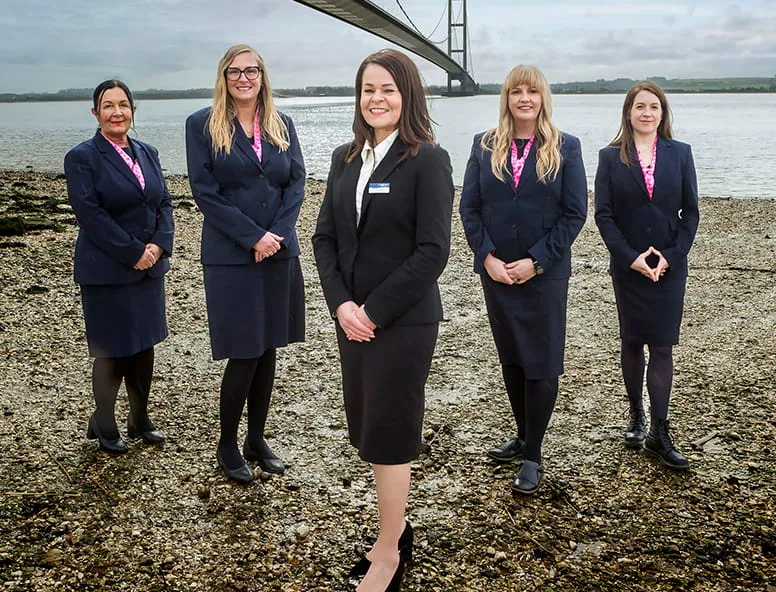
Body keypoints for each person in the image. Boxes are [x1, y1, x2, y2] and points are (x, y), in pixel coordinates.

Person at [312, 49, 453, 592]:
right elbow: (326, 237)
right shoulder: (345, 159)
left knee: (391, 434)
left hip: (403, 322)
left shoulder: (427, 160)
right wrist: (343, 305)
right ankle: (393, 529)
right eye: (368, 89)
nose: (377, 99)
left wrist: (372, 310)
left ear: (408, 95)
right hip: (354, 323)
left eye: (388, 89)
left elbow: (432, 250)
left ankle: (389, 554)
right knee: (368, 427)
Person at [460, 65, 587, 495]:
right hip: (497, 272)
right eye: (516, 91)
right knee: (512, 357)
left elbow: (574, 215)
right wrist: (486, 256)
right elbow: (470, 208)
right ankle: (522, 433)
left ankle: (533, 453)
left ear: (543, 97)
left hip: (543, 274)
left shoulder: (566, 147)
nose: (524, 99)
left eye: (532, 91)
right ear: (507, 98)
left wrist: (537, 261)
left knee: (542, 361)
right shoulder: (485, 145)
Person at [185, 44, 305, 484]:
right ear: (224, 76)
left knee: (269, 345)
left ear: (262, 76)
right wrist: (252, 236)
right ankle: (227, 444)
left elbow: (296, 183)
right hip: (231, 255)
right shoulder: (201, 124)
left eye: (250, 70)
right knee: (244, 349)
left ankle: (257, 439)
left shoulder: (282, 123)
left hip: (278, 251)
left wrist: (274, 235)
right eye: (234, 71)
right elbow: (205, 192)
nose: (243, 78)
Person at [64, 80, 174, 454]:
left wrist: (159, 245)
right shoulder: (82, 157)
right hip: (107, 271)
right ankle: (104, 422)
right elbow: (90, 215)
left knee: (143, 346)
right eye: (108, 106)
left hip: (149, 268)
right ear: (96, 113)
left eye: (123, 105)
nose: (116, 112)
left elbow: (164, 204)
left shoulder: (149, 152)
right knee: (112, 348)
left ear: (133, 111)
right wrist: (133, 252)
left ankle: (139, 417)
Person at [594, 81, 699, 470]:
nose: (647, 113)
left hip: (670, 267)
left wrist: (671, 256)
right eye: (640, 106)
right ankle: (636, 415)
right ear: (628, 112)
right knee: (633, 340)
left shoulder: (681, 154)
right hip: (629, 266)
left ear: (663, 113)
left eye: (654, 106)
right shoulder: (610, 157)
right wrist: (629, 257)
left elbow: (691, 212)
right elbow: (603, 214)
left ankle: (660, 430)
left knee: (663, 346)